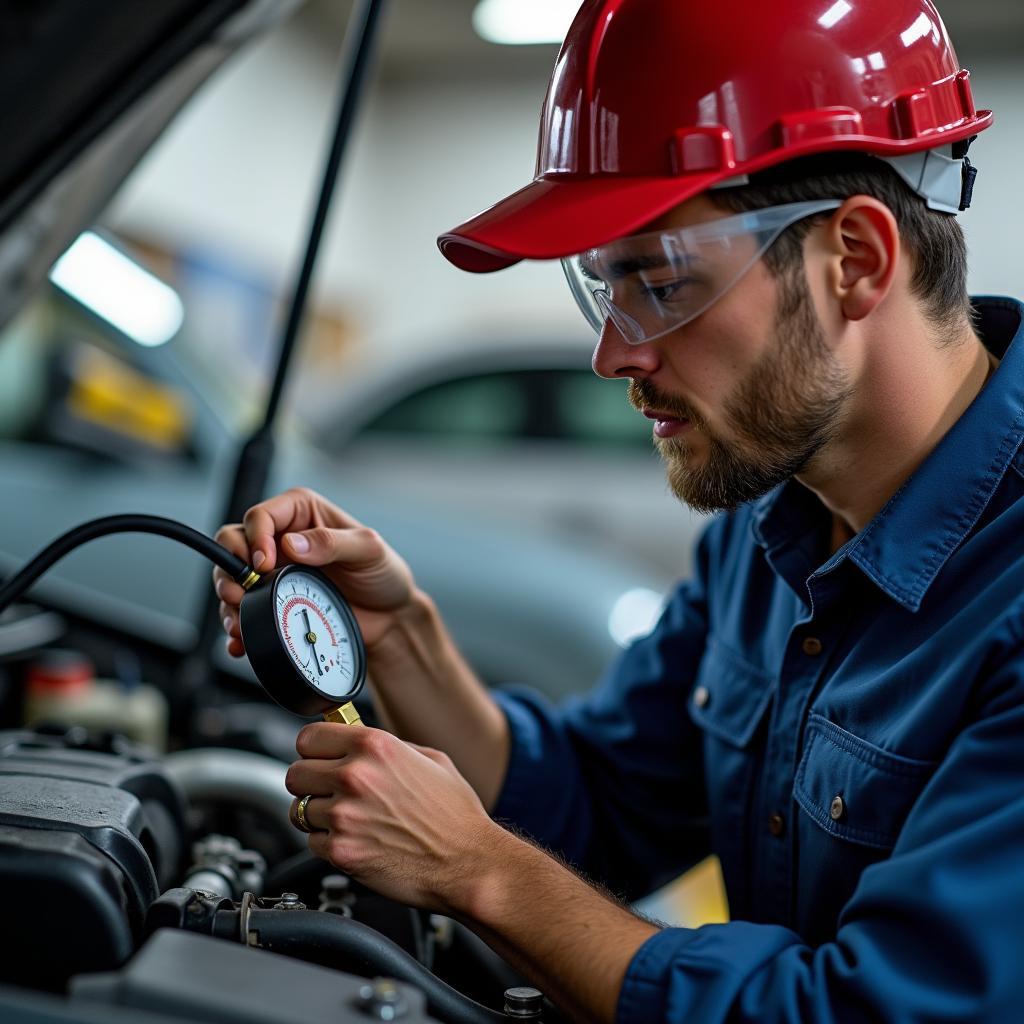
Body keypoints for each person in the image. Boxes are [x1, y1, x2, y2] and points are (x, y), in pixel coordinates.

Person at [213, 1, 1024, 1019]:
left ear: (853, 261)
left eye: (659, 282)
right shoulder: (768, 527)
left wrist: (481, 871)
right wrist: (399, 635)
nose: (614, 355)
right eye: (600, 290)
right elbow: (599, 804)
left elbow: (865, 1009)